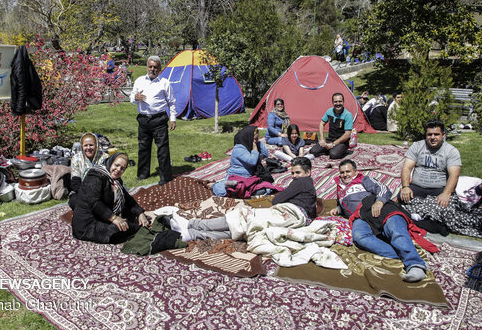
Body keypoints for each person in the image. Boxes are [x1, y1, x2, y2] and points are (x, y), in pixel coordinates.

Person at [173, 157, 321, 241]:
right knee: (241, 231)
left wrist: (288, 194)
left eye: (298, 173)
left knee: (242, 215)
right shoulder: (309, 187)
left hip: (289, 215)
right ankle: (191, 234)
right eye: (293, 173)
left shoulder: (302, 182)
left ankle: (192, 224)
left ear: (308, 172)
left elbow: (277, 200)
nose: (294, 176)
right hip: (295, 221)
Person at [331, 159, 431, 282]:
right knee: (359, 237)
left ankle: (415, 265)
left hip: (376, 206)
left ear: (355, 171)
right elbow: (344, 204)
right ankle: (406, 255)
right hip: (360, 216)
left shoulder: (363, 179)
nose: (345, 175)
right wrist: (338, 209)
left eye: (348, 171)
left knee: (395, 229)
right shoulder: (340, 188)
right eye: (342, 172)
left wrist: (379, 202)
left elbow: (383, 188)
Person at [72, 153, 149, 244]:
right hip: (87, 224)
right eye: (116, 165)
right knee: (121, 228)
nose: (118, 170)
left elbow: (127, 198)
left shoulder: (115, 179)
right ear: (110, 162)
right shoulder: (95, 176)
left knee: (131, 217)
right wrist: (113, 218)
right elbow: (94, 202)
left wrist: (140, 213)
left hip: (101, 216)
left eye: (122, 168)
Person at [130, 56, 177, 185]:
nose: (152, 69)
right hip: (143, 120)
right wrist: (136, 97)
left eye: (155, 67)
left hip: (159, 120)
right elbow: (131, 98)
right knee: (143, 147)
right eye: (150, 67)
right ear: (147, 67)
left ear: (160, 69)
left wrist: (173, 119)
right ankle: (143, 174)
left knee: (162, 148)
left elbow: (172, 102)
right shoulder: (139, 81)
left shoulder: (164, 83)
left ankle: (165, 176)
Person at [399, 119, 461, 208]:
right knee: (402, 198)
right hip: (418, 187)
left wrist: (446, 193)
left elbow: (454, 175)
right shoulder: (417, 146)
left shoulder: (451, 151)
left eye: (436, 134)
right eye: (429, 134)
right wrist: (405, 187)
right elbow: (407, 168)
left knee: (449, 205)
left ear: (443, 135)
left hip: (440, 189)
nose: (432, 137)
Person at [212, 125, 269, 197]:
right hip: (235, 176)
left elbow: (265, 154)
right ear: (247, 138)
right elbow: (252, 161)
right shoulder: (239, 148)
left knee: (265, 189)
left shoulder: (252, 146)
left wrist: (258, 143)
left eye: (257, 139)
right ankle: (214, 185)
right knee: (222, 191)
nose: (255, 141)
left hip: (248, 177)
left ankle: (244, 191)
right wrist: (255, 148)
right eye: (254, 139)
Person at [309, 93, 353, 159]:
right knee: (313, 151)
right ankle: (329, 149)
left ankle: (342, 150)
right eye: (335, 102)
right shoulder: (329, 111)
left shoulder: (348, 115)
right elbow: (321, 124)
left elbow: (347, 134)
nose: (338, 103)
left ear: (343, 102)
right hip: (330, 139)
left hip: (342, 142)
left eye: (340, 101)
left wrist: (333, 144)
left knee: (333, 155)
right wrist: (322, 139)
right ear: (332, 102)